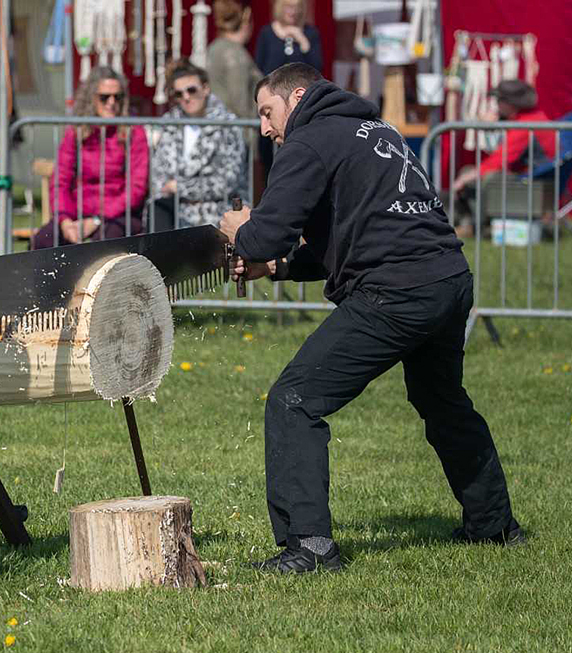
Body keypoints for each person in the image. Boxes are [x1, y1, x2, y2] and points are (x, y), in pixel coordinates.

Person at [219, 63, 524, 574]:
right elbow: (356, 234)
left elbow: (263, 236)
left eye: (267, 113)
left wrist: (241, 230)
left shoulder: (309, 140)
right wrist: (279, 266)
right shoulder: (373, 129)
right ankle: (493, 525)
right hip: (447, 279)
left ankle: (309, 547)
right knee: (443, 401)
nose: (266, 129)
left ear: (296, 96)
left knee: (294, 400)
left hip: (398, 292)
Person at [31, 66, 149, 249]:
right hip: (77, 213)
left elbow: (137, 187)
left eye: (117, 97)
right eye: (104, 97)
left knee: (102, 246)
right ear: (91, 98)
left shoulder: (134, 131)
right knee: (44, 240)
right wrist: (65, 220)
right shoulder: (76, 130)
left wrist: (96, 220)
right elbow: (60, 179)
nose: (111, 102)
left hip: (119, 215)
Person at [149, 60, 246, 231]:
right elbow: (159, 175)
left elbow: (228, 180)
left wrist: (181, 187)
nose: (186, 97)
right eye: (179, 94)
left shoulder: (227, 124)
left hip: (215, 213)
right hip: (175, 213)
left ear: (206, 88)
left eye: (191, 90)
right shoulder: (169, 123)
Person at [450, 79, 556, 234]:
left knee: (483, 177)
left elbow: (499, 161)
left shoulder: (525, 125)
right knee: (471, 172)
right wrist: (493, 122)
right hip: (531, 178)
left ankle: (478, 226)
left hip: (533, 182)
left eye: (499, 100)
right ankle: (470, 223)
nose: (496, 104)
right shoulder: (530, 117)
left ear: (510, 104)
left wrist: (464, 179)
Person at [254, 0, 324, 184]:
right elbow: (262, 69)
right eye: (288, 7)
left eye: (296, 7)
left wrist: (302, 41)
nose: (292, 12)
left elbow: (316, 69)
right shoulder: (267, 34)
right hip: (273, 104)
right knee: (269, 157)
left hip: (301, 105)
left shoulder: (310, 33)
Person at [207, 0, 263, 125]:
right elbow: (240, 102)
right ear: (245, 22)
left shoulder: (214, 47)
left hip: (218, 125)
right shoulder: (235, 54)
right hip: (238, 130)